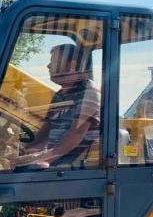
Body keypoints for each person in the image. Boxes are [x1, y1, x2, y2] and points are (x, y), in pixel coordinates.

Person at [16, 42, 100, 170]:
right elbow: (47, 130)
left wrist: (46, 159)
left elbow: (76, 134)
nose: (48, 66)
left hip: (73, 167)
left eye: (53, 62)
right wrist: (25, 151)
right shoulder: (60, 95)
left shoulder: (89, 93)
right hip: (58, 162)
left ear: (71, 65)